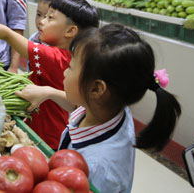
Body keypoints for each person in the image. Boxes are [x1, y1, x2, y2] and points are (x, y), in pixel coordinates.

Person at [18, 24, 181, 192]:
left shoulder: (95, 168)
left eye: (71, 67)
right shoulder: (109, 108)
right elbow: (77, 106)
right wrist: (48, 92)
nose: (65, 73)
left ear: (97, 89)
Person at [0, 0, 100, 150]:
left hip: (46, 135)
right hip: (46, 128)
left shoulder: (54, 57)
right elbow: (74, 103)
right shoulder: (67, 56)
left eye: (50, 18)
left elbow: (6, 34)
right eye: (42, 16)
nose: (41, 22)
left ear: (70, 30)